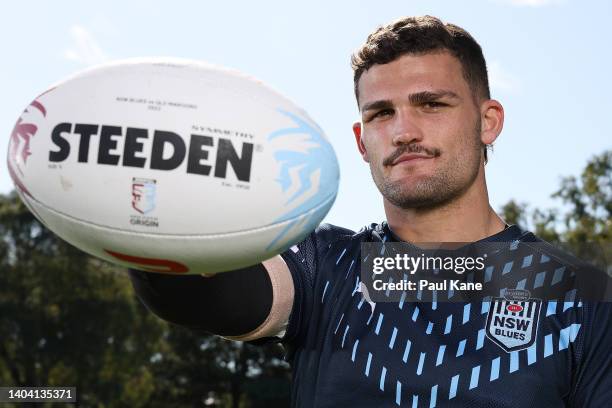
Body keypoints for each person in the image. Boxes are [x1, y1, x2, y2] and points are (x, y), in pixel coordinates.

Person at [128, 16, 611, 407]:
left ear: (488, 122)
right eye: (381, 113)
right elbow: (207, 296)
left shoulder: (581, 299)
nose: (404, 131)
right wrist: (147, 216)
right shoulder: (325, 266)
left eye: (431, 104)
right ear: (362, 141)